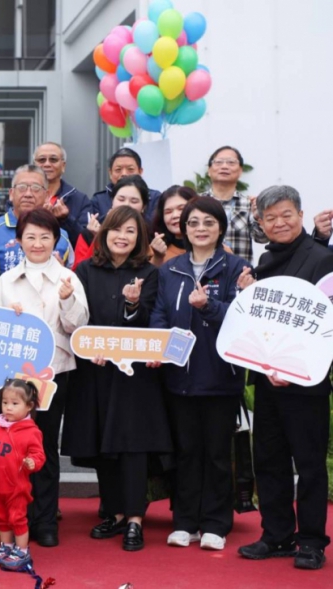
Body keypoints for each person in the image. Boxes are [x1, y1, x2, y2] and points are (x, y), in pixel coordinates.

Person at [61, 206, 171, 552]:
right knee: (102, 445)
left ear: (140, 237)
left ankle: (135, 518)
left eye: (130, 231)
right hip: (94, 371)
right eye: (115, 230)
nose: (122, 237)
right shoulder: (83, 270)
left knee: (132, 445)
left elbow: (150, 323)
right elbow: (79, 320)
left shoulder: (150, 273)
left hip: (134, 376)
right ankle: (114, 512)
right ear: (103, 234)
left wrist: (132, 306)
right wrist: (89, 343)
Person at [236, 186, 333, 570]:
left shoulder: (323, 259)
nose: (279, 223)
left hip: (305, 381)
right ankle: (276, 536)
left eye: (286, 214)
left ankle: (312, 541)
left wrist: (291, 369)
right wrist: (249, 293)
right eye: (270, 218)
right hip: (266, 378)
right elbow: (261, 320)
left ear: (300, 214)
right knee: (269, 460)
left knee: (308, 464)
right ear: (260, 223)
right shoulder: (264, 260)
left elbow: (325, 327)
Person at [149, 197, 250, 551]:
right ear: (184, 228)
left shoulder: (237, 267)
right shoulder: (170, 269)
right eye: (193, 223)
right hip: (179, 379)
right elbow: (160, 314)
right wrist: (156, 351)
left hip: (221, 378)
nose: (201, 228)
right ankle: (186, 522)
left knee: (218, 455)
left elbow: (242, 319)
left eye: (209, 222)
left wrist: (208, 305)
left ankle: (216, 524)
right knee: (186, 452)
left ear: (220, 227)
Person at [0, 208, 89, 547]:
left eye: (45, 236)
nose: (37, 243)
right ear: (18, 241)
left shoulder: (68, 279)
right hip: (11, 379)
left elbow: (78, 328)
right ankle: (14, 519)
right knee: (8, 450)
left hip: (53, 375)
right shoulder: (4, 282)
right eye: (30, 236)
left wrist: (66, 300)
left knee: (42, 448)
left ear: (56, 241)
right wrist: (9, 320)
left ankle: (45, 520)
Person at [0, 379, 45, 569]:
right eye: (5, 402)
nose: (8, 408)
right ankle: (6, 546)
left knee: (17, 518)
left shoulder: (31, 432)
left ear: (29, 406)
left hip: (16, 487)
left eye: (14, 403)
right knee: (1, 518)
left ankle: (22, 550)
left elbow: (39, 455)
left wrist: (32, 462)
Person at [0, 164, 74, 282]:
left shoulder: (62, 237)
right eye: (22, 187)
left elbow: (70, 283)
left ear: (47, 196)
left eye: (36, 188)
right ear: (11, 193)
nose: (28, 194)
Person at [200, 146, 266, 263]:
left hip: (240, 276)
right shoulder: (196, 203)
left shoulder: (248, 204)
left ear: (240, 171)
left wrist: (258, 216)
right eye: (218, 162)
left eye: (231, 162)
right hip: (202, 275)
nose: (224, 166)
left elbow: (262, 239)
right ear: (209, 171)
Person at [73, 174, 150, 270]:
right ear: (112, 201)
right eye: (121, 199)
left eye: (134, 201)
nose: (126, 205)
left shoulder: (151, 233)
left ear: (144, 206)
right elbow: (78, 273)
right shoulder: (90, 231)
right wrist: (98, 238)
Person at [33, 142, 92, 238]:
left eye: (53, 159)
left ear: (63, 166)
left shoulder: (80, 199)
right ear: (34, 165)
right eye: (42, 160)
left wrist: (66, 219)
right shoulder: (23, 196)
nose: (47, 164)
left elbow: (85, 240)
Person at [92, 148, 162, 223]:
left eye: (130, 169)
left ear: (140, 172)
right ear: (110, 173)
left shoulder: (155, 197)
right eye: (118, 170)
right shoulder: (98, 200)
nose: (124, 174)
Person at [149, 186, 199, 267]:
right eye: (168, 212)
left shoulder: (217, 249)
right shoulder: (154, 251)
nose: (175, 215)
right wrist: (157, 258)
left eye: (181, 209)